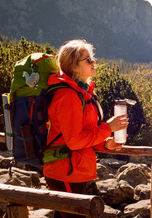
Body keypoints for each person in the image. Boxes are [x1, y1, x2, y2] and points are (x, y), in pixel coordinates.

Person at [43, 39, 128, 218]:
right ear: (74, 67)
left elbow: (86, 135)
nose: (94, 62)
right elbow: (74, 142)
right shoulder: (68, 96)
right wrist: (107, 127)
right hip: (64, 171)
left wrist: (106, 144)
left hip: (76, 169)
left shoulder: (84, 93)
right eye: (88, 59)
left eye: (92, 58)